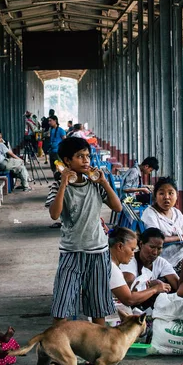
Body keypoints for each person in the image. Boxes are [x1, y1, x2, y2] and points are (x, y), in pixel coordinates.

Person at [45, 136, 122, 327]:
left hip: (98, 250)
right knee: (62, 304)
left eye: (87, 156)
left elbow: (117, 207)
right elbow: (54, 214)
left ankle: (97, 352)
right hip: (71, 251)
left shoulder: (95, 185)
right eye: (80, 156)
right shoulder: (58, 187)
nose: (86, 160)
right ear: (67, 161)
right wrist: (63, 183)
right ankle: (59, 349)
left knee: (98, 306)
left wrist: (104, 183)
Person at [141, 176, 183, 275]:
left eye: (171, 193)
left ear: (176, 196)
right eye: (161, 193)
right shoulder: (150, 214)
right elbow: (154, 239)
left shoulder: (176, 213)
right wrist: (180, 238)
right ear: (155, 196)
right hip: (166, 260)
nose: (166, 197)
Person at [109, 227, 171, 308]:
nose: (133, 254)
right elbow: (129, 299)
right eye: (132, 249)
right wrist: (155, 289)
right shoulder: (113, 269)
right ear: (120, 246)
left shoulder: (108, 262)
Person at [120, 227, 179, 298]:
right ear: (141, 244)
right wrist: (151, 287)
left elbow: (178, 286)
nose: (155, 252)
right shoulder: (129, 261)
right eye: (152, 247)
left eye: (159, 248)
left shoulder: (161, 262)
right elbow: (127, 290)